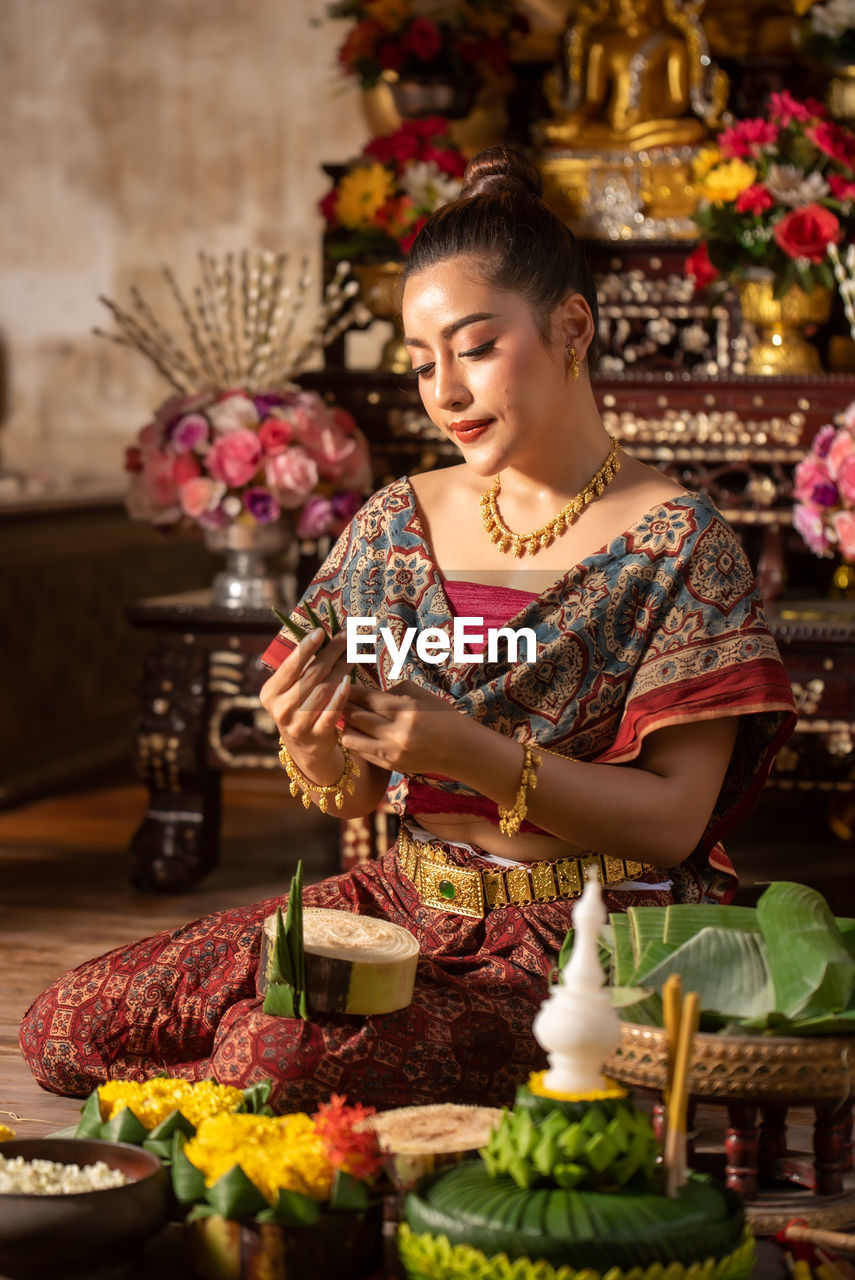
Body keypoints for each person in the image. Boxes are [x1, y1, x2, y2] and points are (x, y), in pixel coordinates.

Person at [20, 146, 796, 1114]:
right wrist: (312, 742)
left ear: (571, 326)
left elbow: (679, 819)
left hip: (591, 933)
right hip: (401, 901)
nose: (446, 391)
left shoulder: (678, 540)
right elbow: (345, 788)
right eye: (423, 362)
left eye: (474, 347)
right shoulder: (396, 521)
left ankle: (286, 1086)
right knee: (67, 1024)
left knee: (278, 1056)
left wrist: (469, 750)